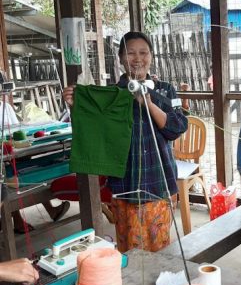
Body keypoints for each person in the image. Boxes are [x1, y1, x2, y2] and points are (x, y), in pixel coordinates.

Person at [63, 31, 188, 253]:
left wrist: (147, 102)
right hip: (125, 183)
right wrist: (77, 104)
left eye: (143, 52)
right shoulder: (112, 94)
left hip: (159, 180)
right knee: (130, 247)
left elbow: (177, 127)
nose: (137, 58)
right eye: (130, 53)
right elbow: (96, 131)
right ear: (121, 58)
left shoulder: (165, 89)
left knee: (160, 247)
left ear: (151, 56)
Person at [0, 100, 70, 233]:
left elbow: (17, 128)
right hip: (4, 157)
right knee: (8, 179)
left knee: (25, 165)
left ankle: (51, 210)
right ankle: (18, 220)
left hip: (11, 150)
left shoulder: (6, 106)